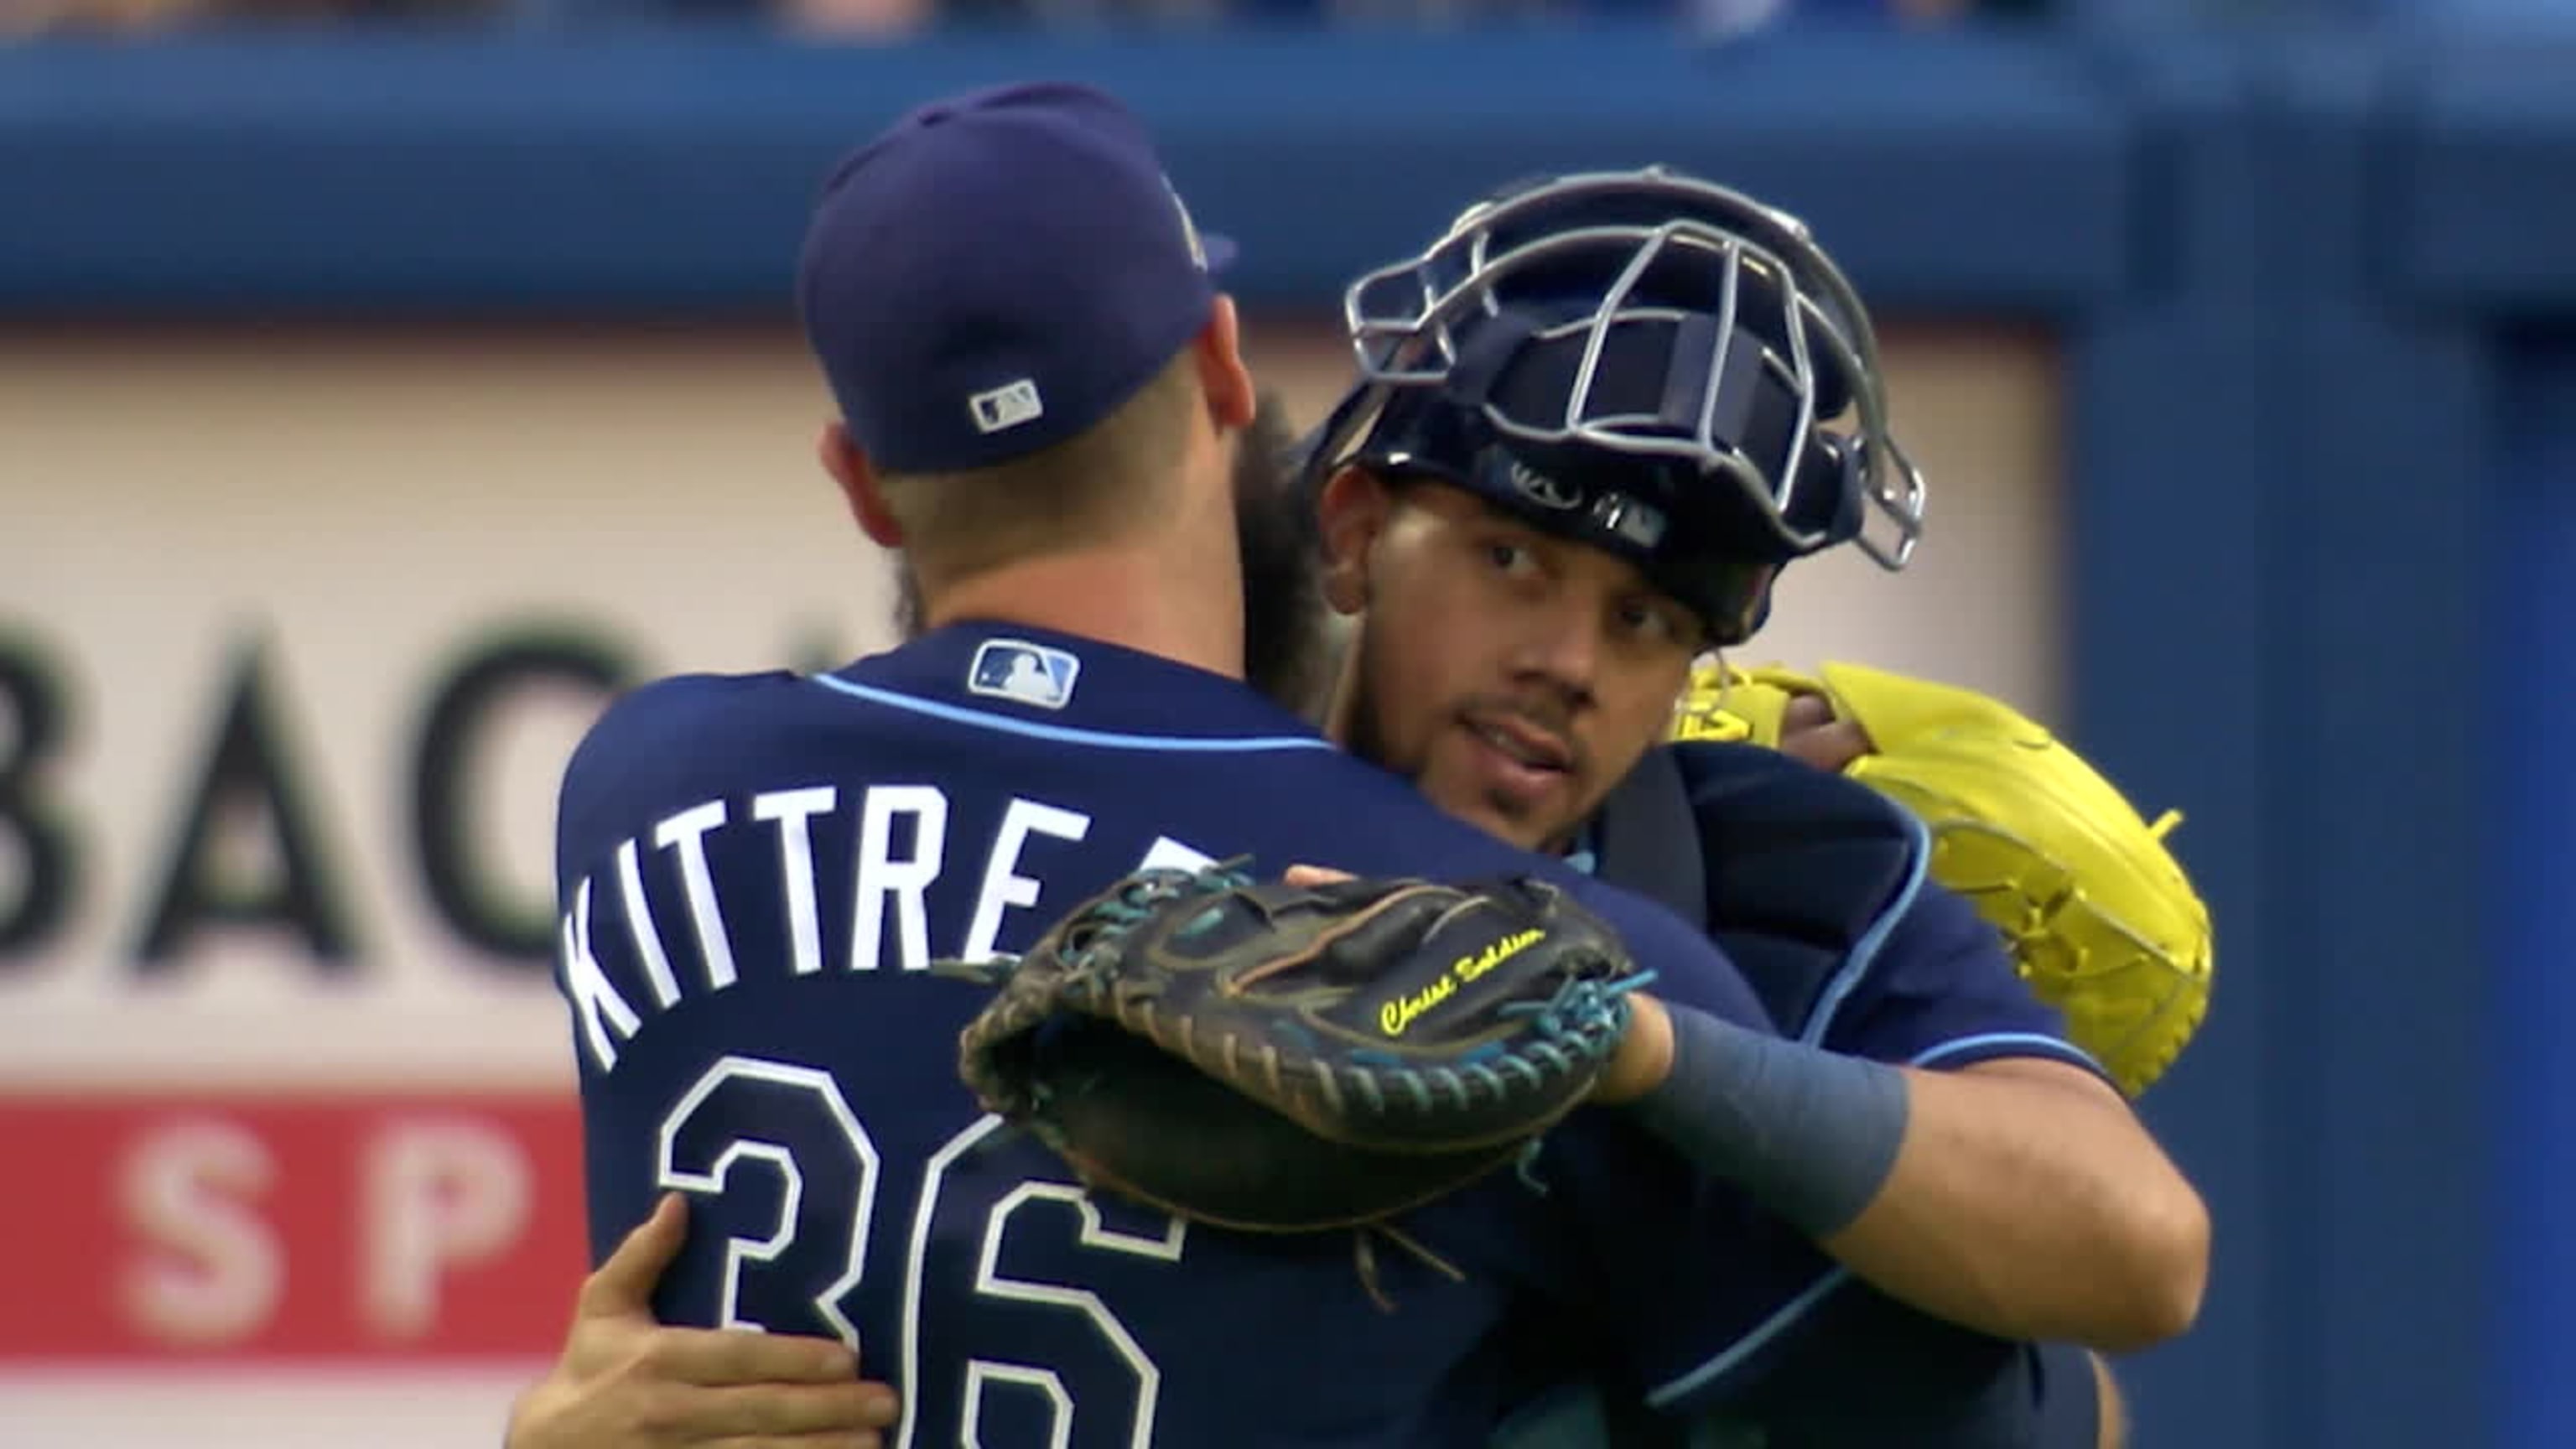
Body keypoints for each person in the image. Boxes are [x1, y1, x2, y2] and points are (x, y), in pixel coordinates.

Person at [539, 80, 2059, 1449]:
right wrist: (1829, 1087)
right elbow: (2025, 1429)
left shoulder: (639, 789)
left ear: (864, 487)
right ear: (1217, 367)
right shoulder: (1512, 953)